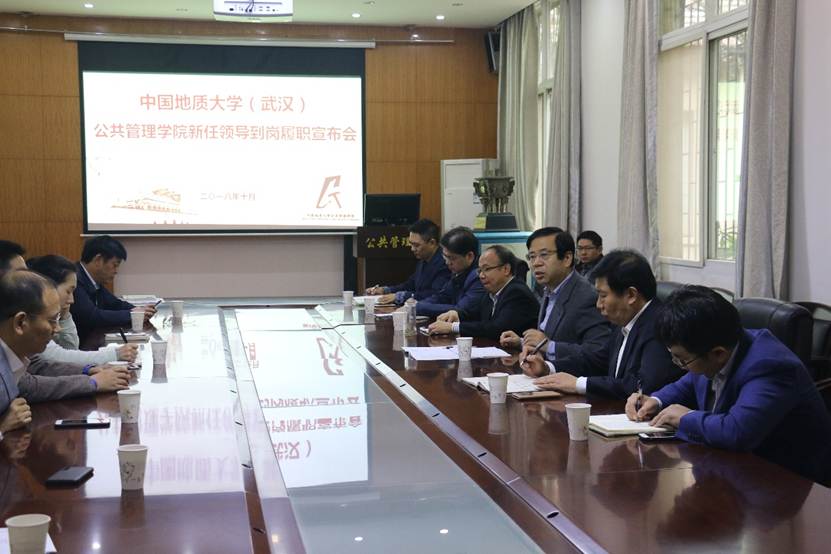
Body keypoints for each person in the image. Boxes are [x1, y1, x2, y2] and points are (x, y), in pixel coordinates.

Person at [626, 285, 831, 485]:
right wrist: (656, 400)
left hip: (784, 482)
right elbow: (687, 384)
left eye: (682, 360)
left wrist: (685, 418)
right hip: (732, 468)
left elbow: (737, 432)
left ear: (718, 354)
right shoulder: (711, 345)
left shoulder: (770, 366)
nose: (679, 364)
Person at [524, 250, 683, 398]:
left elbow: (641, 386)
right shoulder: (624, 320)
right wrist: (548, 367)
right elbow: (597, 360)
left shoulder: (660, 326)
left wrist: (578, 384)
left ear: (631, 295)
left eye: (603, 296)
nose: (598, 304)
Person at [500, 227, 610, 374]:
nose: (536, 263)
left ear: (567, 258)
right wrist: (523, 342)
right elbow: (551, 337)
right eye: (532, 256)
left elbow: (598, 353)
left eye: (544, 255)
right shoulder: (549, 289)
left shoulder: (586, 296)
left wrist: (549, 346)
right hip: (542, 376)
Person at [27, 255, 138, 365]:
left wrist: (65, 316)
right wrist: (114, 354)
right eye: (68, 291)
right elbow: (55, 356)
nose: (72, 300)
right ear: (48, 287)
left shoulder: (57, 314)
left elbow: (71, 348)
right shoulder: (34, 318)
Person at [428, 245, 539, 339]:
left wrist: (453, 327)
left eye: (487, 269)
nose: (481, 275)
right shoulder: (492, 291)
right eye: (480, 270)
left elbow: (497, 329)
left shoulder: (517, 292)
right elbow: (475, 314)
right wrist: (456, 314)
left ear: (506, 269)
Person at [71, 235, 156, 343]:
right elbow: (92, 316)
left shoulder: (92, 280)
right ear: (98, 260)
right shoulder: (74, 279)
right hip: (80, 346)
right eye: (114, 265)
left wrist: (139, 310)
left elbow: (115, 304)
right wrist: (132, 314)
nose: (116, 271)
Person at [365, 219, 451, 305]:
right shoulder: (423, 259)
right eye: (411, 244)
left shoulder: (445, 262)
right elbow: (410, 284)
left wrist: (400, 296)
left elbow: (435, 294)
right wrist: (385, 290)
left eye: (416, 245)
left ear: (432, 243)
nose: (412, 249)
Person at [416, 227, 485, 318]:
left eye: (451, 258)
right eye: (445, 256)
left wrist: (420, 307)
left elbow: (460, 310)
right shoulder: (459, 272)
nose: (447, 262)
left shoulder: (479, 276)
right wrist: (416, 306)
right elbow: (442, 297)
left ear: (469, 256)